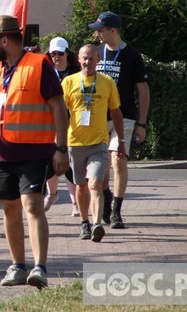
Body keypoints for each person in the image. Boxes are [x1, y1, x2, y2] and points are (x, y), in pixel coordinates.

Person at [0, 15, 69, 289]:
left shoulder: (39, 64)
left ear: (4, 40)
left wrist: (61, 148)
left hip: (35, 150)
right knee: (8, 209)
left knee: (31, 205)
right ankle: (18, 265)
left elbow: (58, 107)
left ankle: (39, 267)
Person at [90, 11, 149, 229]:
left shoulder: (132, 55)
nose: (97, 35)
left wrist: (142, 124)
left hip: (123, 116)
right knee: (103, 166)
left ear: (113, 30)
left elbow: (143, 90)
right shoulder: (96, 53)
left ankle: (116, 210)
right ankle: (104, 200)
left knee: (118, 159)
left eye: (100, 30)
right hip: (98, 117)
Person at [62, 44, 124, 242]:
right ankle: (84, 223)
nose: (87, 62)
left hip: (99, 142)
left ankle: (97, 224)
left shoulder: (107, 82)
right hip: (75, 142)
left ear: (98, 60)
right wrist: (58, 142)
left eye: (91, 58)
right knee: (81, 187)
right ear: (79, 60)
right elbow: (61, 114)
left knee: (96, 184)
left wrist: (121, 140)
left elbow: (115, 112)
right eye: (84, 58)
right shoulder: (69, 82)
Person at [43, 37, 82, 215]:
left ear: (67, 54)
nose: (57, 57)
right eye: (53, 54)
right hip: (49, 123)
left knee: (70, 162)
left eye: (60, 53)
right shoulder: (45, 71)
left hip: (72, 122)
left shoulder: (76, 72)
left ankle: (75, 203)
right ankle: (52, 194)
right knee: (50, 162)